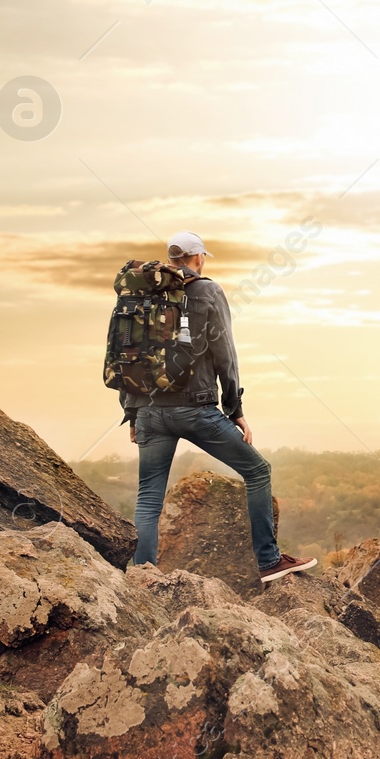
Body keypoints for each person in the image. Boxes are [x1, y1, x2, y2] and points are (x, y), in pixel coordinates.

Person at [121, 230, 315, 583]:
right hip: (195, 409)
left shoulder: (143, 294)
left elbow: (128, 356)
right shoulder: (208, 291)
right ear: (197, 259)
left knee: (149, 498)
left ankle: (143, 578)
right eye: (203, 257)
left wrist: (132, 412)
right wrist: (235, 409)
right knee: (258, 471)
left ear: (170, 259)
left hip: (148, 410)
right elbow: (225, 354)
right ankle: (269, 561)